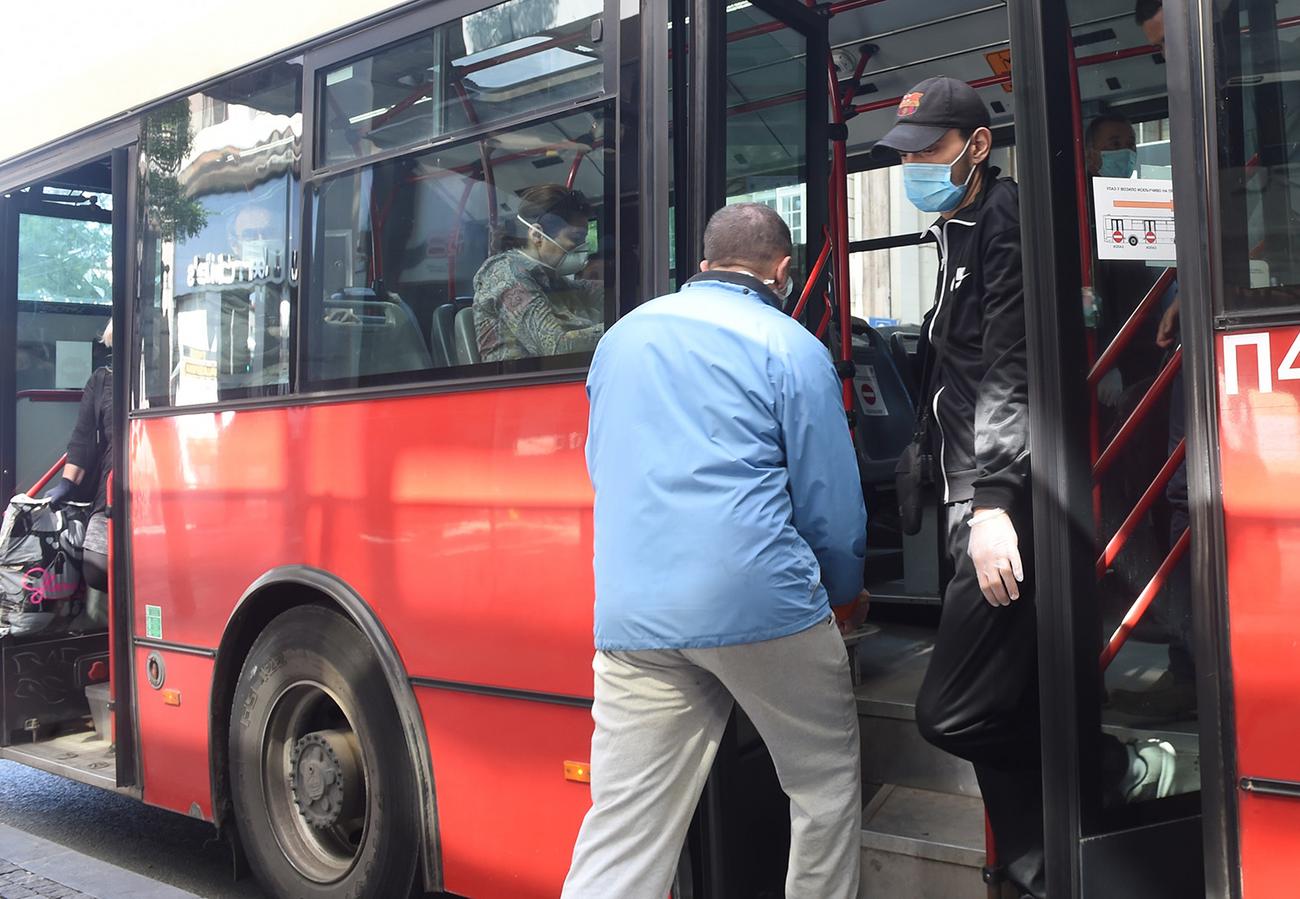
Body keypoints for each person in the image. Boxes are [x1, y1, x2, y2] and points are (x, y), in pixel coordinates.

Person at [873, 76, 1176, 899]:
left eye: (929, 150)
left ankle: (1112, 764)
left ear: (978, 146)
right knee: (1010, 692)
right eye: (905, 154)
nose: (914, 167)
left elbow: (1010, 371)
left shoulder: (1001, 219)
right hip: (964, 494)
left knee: (953, 711)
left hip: (997, 501)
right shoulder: (955, 226)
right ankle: (1033, 863)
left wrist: (996, 504)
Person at [562, 203, 869, 899]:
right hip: (760, 603)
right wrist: (844, 592)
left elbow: (604, 463)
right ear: (783, 271)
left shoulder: (621, 339)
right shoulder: (791, 347)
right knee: (823, 785)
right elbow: (832, 508)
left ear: (702, 264)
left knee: (624, 825)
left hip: (633, 615)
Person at [473, 184, 604, 363]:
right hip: (520, 386)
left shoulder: (552, 278)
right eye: (575, 239)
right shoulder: (506, 275)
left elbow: (599, 291)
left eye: (583, 240)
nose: (582, 248)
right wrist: (617, 329)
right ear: (537, 236)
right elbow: (556, 346)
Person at [44, 320, 113, 593]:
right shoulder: (101, 379)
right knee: (96, 568)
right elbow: (83, 437)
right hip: (113, 486)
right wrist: (67, 485)